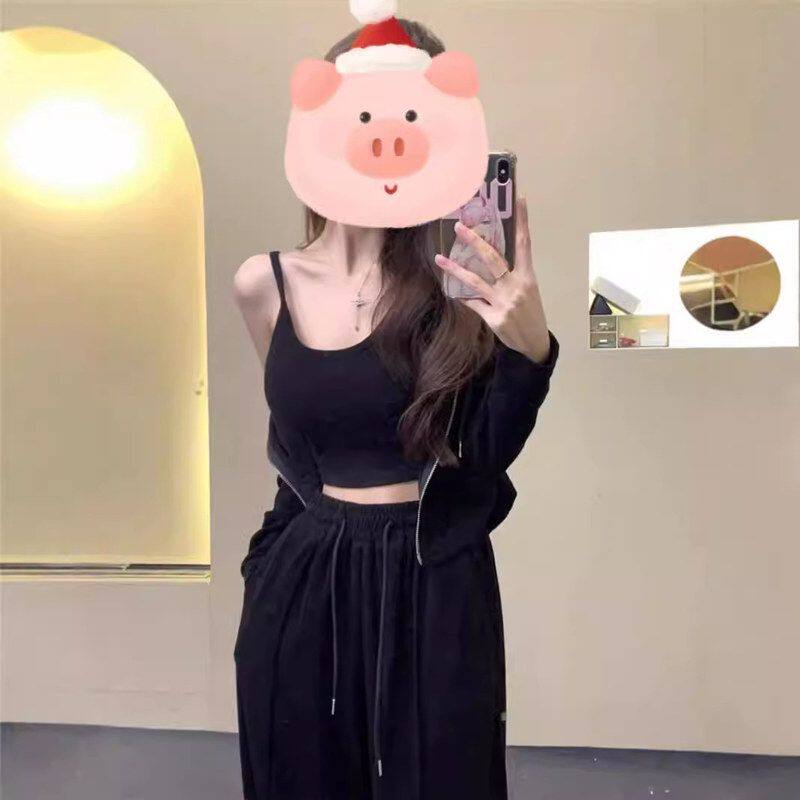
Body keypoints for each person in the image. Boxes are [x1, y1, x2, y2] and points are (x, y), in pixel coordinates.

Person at [232, 17, 559, 800]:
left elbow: (481, 457)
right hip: (304, 578)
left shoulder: (463, 291)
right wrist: (265, 567)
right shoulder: (263, 284)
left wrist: (529, 353)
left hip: (432, 575)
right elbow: (294, 447)